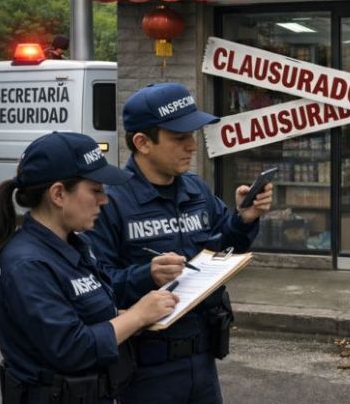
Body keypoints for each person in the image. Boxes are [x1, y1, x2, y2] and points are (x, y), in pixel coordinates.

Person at [87, 82, 273, 404]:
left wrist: (244, 219)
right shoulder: (110, 203)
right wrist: (146, 275)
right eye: (179, 137)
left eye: (193, 135)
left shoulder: (195, 189)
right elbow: (92, 289)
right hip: (145, 369)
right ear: (143, 142)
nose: (192, 146)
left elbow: (220, 251)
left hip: (202, 360)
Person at [0, 132, 178, 404]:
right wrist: (137, 317)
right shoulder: (27, 264)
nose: (104, 200)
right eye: (95, 190)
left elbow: (85, 310)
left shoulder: (75, 244)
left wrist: (124, 314)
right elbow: (71, 347)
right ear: (58, 194)